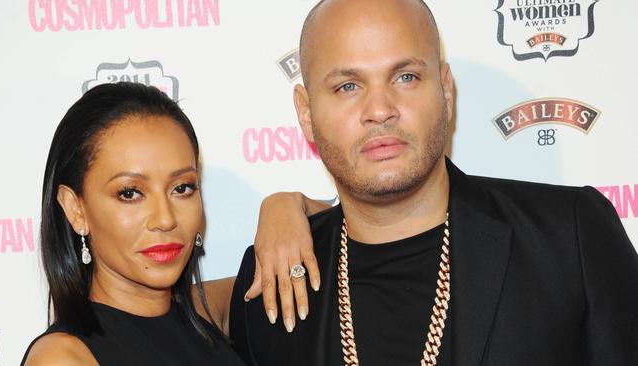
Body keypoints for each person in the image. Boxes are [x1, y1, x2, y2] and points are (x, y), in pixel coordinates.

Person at [229, 0, 638, 365]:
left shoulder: (569, 237)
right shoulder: (269, 279)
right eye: (348, 86)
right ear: (305, 112)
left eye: (405, 77)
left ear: (445, 89)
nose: (380, 110)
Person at [20, 82, 325, 365]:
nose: (165, 219)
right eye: (130, 193)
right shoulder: (63, 356)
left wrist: (284, 205)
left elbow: (350, 235)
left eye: (182, 188)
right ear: (76, 209)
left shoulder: (206, 313)